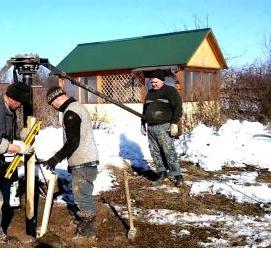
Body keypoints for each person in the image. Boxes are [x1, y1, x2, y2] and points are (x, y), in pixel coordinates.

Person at [44, 86, 99, 240]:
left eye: (52, 102)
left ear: (59, 97)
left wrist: (56, 158)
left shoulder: (70, 113)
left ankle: (87, 233)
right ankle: (83, 224)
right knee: (82, 194)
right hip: (86, 159)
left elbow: (73, 142)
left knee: (82, 196)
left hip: (83, 161)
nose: (53, 106)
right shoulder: (77, 107)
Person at [0, 82, 34, 243]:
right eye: (20, 102)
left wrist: (24, 133)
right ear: (13, 98)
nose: (21, 106)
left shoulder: (10, 111)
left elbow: (11, 131)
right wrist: (18, 149)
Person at [141, 69, 183, 187]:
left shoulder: (170, 91)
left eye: (156, 82)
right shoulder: (150, 93)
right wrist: (142, 123)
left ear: (162, 81)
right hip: (151, 128)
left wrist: (174, 123)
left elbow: (178, 108)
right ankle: (161, 172)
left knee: (168, 151)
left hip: (164, 127)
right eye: (152, 82)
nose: (153, 84)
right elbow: (145, 109)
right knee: (155, 152)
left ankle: (177, 175)